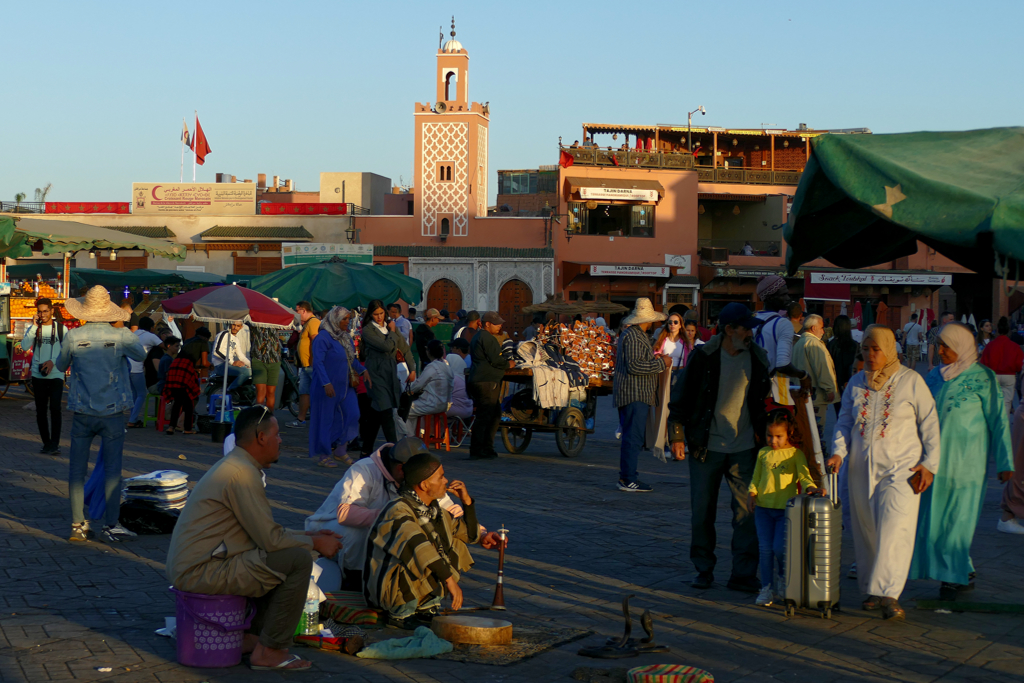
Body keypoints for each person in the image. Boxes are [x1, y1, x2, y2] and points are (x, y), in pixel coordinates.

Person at [166, 406, 342, 672]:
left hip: (201, 565)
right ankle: (270, 650)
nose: (280, 441)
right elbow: (271, 540)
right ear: (261, 438)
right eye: (277, 434)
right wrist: (316, 544)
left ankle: (252, 638)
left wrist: (310, 535)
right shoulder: (241, 474)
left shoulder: (237, 467)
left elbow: (265, 532)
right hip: (200, 571)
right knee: (296, 561)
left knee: (281, 558)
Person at [828, 325, 941, 621]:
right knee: (866, 529)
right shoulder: (856, 382)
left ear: (889, 349)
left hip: (902, 467)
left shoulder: (910, 381)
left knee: (896, 525)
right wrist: (839, 452)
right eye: (866, 349)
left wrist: (930, 464)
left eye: (876, 349)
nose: (870, 355)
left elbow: (929, 422)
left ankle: (890, 593)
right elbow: (843, 422)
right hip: (860, 467)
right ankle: (872, 590)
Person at [669, 302, 769, 592]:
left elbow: (765, 397)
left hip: (745, 447)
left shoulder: (758, 358)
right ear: (729, 330)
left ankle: (743, 573)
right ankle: (703, 568)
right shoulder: (704, 357)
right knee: (702, 512)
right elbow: (680, 399)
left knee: (747, 513)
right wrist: (676, 436)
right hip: (706, 447)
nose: (750, 334)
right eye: (745, 328)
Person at [911, 323, 1013, 599]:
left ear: (962, 347)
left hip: (968, 462)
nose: (940, 351)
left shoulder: (984, 378)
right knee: (935, 519)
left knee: (959, 518)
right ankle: (960, 568)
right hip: (933, 462)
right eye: (939, 345)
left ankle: (955, 572)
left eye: (946, 346)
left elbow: (999, 421)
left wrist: (1005, 462)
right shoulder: (933, 376)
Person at [363, 452, 506, 628]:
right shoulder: (398, 510)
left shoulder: (434, 511)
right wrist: (449, 581)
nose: (446, 481)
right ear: (424, 485)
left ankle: (426, 606)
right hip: (387, 590)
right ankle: (400, 612)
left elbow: (468, 535)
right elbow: (418, 546)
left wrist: (467, 502)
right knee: (423, 553)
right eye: (440, 477)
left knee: (454, 543)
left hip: (412, 573)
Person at [56, 285, 146, 544]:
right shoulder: (121, 336)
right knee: (113, 470)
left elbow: (62, 365)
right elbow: (140, 354)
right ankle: (111, 523)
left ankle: (77, 524)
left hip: (82, 410)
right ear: (109, 311)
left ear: (85, 310)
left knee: (76, 469)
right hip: (113, 410)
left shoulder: (73, 336)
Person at [305, 438, 424, 591]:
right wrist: (391, 515)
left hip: (372, 528)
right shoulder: (364, 468)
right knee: (361, 532)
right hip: (329, 526)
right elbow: (346, 514)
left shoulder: (417, 475)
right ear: (401, 469)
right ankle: (353, 580)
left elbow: (445, 507)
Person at [748, 409, 815, 607]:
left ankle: (785, 580)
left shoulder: (795, 454)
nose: (773, 440)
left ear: (789, 434)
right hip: (763, 510)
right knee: (765, 549)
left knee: (780, 548)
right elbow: (756, 477)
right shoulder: (763, 453)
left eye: (779, 436)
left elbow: (804, 476)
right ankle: (767, 588)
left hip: (786, 511)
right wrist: (752, 493)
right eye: (770, 435)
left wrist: (811, 487)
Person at [613, 298, 671, 491]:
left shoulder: (636, 335)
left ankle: (628, 477)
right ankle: (628, 478)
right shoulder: (634, 336)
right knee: (633, 437)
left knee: (634, 437)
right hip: (634, 393)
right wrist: (662, 364)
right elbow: (635, 365)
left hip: (637, 393)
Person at [310, 307, 368, 468]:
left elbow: (350, 359)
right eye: (344, 319)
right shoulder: (323, 338)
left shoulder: (345, 337)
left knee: (353, 414)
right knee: (327, 419)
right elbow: (318, 363)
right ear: (335, 319)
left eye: (348, 319)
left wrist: (363, 370)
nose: (347, 322)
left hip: (344, 386)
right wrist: (325, 383)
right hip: (327, 387)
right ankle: (324, 454)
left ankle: (341, 449)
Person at [359, 300, 414, 458]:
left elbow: (404, 348)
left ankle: (366, 450)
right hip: (375, 373)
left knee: (377, 413)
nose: (379, 317)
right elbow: (387, 347)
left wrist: (412, 369)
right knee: (386, 409)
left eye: (381, 313)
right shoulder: (368, 330)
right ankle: (395, 450)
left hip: (390, 372)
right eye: (375, 314)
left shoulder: (390, 328)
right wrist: (391, 332)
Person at [22, 297, 68, 454]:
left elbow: (66, 352)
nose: (43, 315)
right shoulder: (34, 328)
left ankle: (55, 444)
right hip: (38, 374)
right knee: (41, 411)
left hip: (56, 374)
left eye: (45, 311)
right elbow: (24, 346)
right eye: (40, 312)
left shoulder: (62, 329)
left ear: (52, 311)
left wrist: (52, 362)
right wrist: (34, 326)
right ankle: (46, 443)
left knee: (55, 409)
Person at [654, 313, 701, 461]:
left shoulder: (685, 342)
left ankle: (681, 440)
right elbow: (655, 352)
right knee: (666, 409)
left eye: (675, 322)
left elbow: (689, 360)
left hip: (681, 374)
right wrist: (659, 357)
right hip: (666, 374)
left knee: (680, 408)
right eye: (670, 322)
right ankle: (667, 442)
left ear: (680, 324)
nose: (672, 324)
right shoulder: (663, 340)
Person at [467, 311, 509, 460]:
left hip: (479, 379)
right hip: (486, 381)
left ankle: (486, 447)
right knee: (485, 416)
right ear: (488, 324)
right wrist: (509, 364)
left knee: (494, 414)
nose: (499, 326)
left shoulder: (478, 337)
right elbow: (496, 360)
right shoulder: (487, 337)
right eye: (497, 324)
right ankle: (478, 449)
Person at [792, 314, 838, 448]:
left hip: (802, 394)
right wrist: (829, 389)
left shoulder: (799, 343)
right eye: (822, 328)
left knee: (806, 430)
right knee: (816, 432)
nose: (823, 331)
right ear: (813, 328)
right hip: (816, 395)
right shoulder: (813, 343)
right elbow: (822, 368)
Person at [405, 340, 454, 435]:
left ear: (429, 351)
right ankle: (414, 436)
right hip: (445, 405)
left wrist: (407, 390)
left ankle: (409, 439)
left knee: (403, 410)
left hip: (432, 404)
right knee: (412, 411)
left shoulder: (432, 367)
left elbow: (417, 385)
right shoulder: (447, 366)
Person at [286, 302, 320, 429]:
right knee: (304, 393)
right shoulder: (307, 324)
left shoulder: (313, 322)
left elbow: (316, 342)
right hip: (305, 366)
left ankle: (320, 420)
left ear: (304, 311)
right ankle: (301, 419)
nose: (296, 314)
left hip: (311, 366)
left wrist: (314, 361)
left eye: (297, 311)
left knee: (317, 393)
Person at [980, 316, 1023, 414]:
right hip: (1009, 375)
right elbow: (1019, 365)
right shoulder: (1015, 347)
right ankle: (1005, 424)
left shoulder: (990, 345)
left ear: (998, 330)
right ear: (1008, 330)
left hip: (993, 375)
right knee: (1006, 404)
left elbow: (983, 363)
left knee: (993, 402)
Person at [126, 317, 163, 428]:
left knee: (134, 394)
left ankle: (134, 418)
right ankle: (132, 420)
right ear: (152, 328)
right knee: (142, 394)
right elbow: (165, 346)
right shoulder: (151, 336)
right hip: (137, 369)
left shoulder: (133, 334)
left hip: (127, 368)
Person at [162, 347, 200, 435]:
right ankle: (187, 429)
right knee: (189, 407)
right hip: (185, 387)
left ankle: (171, 427)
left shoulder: (175, 361)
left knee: (176, 405)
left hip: (173, 386)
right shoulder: (188, 362)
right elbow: (192, 376)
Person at [827, 315, 860, 417]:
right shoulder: (855, 345)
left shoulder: (831, 345)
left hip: (836, 383)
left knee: (840, 414)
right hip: (852, 383)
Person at [249, 323, 282, 413]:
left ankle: (270, 418)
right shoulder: (254, 320)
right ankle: (259, 419)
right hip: (258, 358)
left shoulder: (276, 319)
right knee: (260, 391)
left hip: (274, 358)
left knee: (271, 392)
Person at [211, 321, 251, 391]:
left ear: (241, 327)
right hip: (220, 365)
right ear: (230, 324)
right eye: (234, 325)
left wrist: (251, 365)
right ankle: (230, 390)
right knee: (247, 372)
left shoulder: (236, 339)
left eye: (238, 326)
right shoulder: (224, 334)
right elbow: (216, 351)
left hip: (228, 365)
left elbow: (241, 356)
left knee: (251, 371)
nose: (235, 327)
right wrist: (232, 362)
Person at [445, 351, 473, 422]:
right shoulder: (465, 378)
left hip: (456, 409)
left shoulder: (452, 379)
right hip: (468, 408)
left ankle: (428, 431)